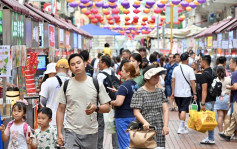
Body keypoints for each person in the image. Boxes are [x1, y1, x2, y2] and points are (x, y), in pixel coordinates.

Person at [56, 53, 111, 148]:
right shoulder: (66, 85)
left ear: (85, 64)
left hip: (91, 132)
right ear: (70, 68)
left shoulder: (96, 83)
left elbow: (107, 107)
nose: (76, 66)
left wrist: (96, 108)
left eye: (78, 63)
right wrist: (59, 132)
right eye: (73, 64)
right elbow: (60, 110)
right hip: (71, 132)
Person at [131, 66, 169, 148]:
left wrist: (165, 125)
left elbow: (165, 110)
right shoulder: (139, 92)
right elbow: (136, 112)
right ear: (147, 78)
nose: (157, 77)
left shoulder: (160, 92)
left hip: (159, 127)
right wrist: (144, 122)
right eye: (153, 75)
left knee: (159, 147)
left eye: (158, 75)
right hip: (144, 128)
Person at [110, 62, 139, 149]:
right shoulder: (135, 84)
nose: (120, 72)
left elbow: (119, 102)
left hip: (123, 117)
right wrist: (119, 92)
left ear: (128, 73)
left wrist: (112, 102)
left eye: (122, 71)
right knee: (131, 141)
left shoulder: (124, 86)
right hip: (133, 116)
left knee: (124, 143)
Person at [171, 53, 197, 134]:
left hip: (177, 93)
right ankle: (181, 127)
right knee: (184, 110)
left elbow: (173, 81)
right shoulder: (190, 69)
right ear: (187, 60)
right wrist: (194, 93)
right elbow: (192, 82)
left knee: (180, 110)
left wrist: (173, 91)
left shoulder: (176, 68)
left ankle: (182, 125)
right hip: (186, 93)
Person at [97, 55, 119, 149]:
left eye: (99, 62)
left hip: (103, 105)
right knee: (114, 127)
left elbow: (98, 90)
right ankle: (116, 147)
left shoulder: (100, 75)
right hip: (113, 103)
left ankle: (99, 147)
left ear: (104, 63)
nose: (98, 64)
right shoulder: (114, 74)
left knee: (100, 127)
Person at [40, 58, 70, 126]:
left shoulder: (48, 82)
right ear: (68, 69)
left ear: (56, 68)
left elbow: (42, 99)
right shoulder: (72, 82)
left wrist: (48, 105)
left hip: (51, 119)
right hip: (68, 120)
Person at [200, 55, 217, 144]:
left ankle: (210, 138)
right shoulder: (213, 72)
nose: (200, 63)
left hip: (207, 101)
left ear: (204, 62)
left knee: (208, 121)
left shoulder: (204, 75)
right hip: (214, 99)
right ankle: (211, 137)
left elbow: (204, 90)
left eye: (201, 61)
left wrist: (202, 103)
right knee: (211, 120)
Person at [219, 57, 237, 141]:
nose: (229, 65)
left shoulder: (235, 73)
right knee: (234, 118)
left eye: (230, 63)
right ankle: (227, 134)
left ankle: (227, 134)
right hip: (235, 98)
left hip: (236, 99)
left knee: (235, 116)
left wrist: (228, 87)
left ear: (235, 63)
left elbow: (235, 87)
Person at [214, 66, 231, 134]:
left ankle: (221, 131)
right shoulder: (228, 79)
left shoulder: (215, 80)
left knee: (220, 116)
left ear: (217, 72)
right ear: (224, 72)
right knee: (227, 116)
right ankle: (226, 131)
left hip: (218, 98)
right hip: (227, 97)